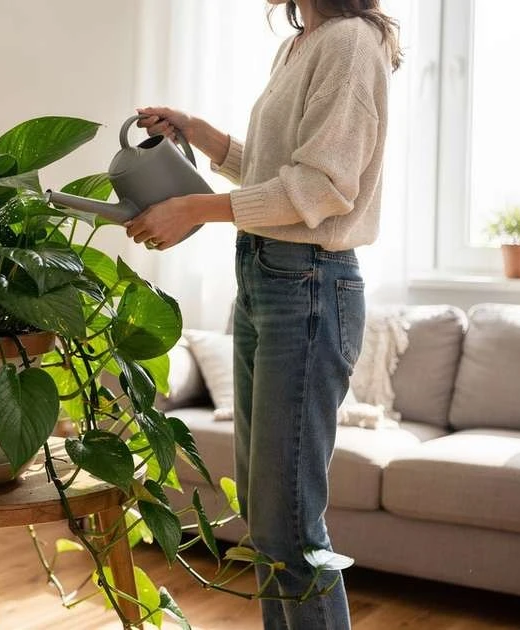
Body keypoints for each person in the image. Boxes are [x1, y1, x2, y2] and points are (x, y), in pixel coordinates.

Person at [124, 1, 401, 628]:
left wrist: (195, 208)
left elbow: (325, 188)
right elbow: (281, 173)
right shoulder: (304, 44)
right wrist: (196, 131)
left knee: (290, 525)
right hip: (265, 277)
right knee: (265, 509)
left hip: (307, 283)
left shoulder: (351, 43)